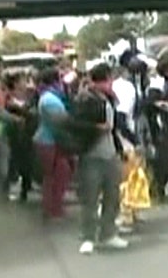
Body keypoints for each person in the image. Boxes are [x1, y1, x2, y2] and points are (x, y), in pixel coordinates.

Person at [72, 63, 128, 255]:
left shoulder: (109, 98)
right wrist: (96, 127)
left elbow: (114, 128)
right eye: (108, 78)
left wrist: (121, 148)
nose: (111, 82)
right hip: (91, 154)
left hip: (110, 152)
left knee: (112, 195)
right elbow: (74, 124)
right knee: (90, 198)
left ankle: (108, 233)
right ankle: (88, 236)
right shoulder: (84, 99)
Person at [33, 67, 73, 220]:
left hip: (49, 139)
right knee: (55, 175)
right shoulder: (50, 99)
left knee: (59, 173)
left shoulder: (49, 97)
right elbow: (61, 120)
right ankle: (52, 207)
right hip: (49, 141)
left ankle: (53, 206)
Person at [145, 55, 168, 202]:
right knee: (162, 160)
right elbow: (149, 102)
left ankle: (160, 189)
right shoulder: (157, 83)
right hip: (161, 125)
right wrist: (158, 104)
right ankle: (156, 190)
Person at [2, 72, 35, 202]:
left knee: (25, 164)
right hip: (13, 137)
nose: (25, 83)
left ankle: (25, 190)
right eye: (23, 81)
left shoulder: (29, 98)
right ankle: (5, 193)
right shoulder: (8, 99)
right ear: (15, 83)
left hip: (26, 137)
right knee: (10, 165)